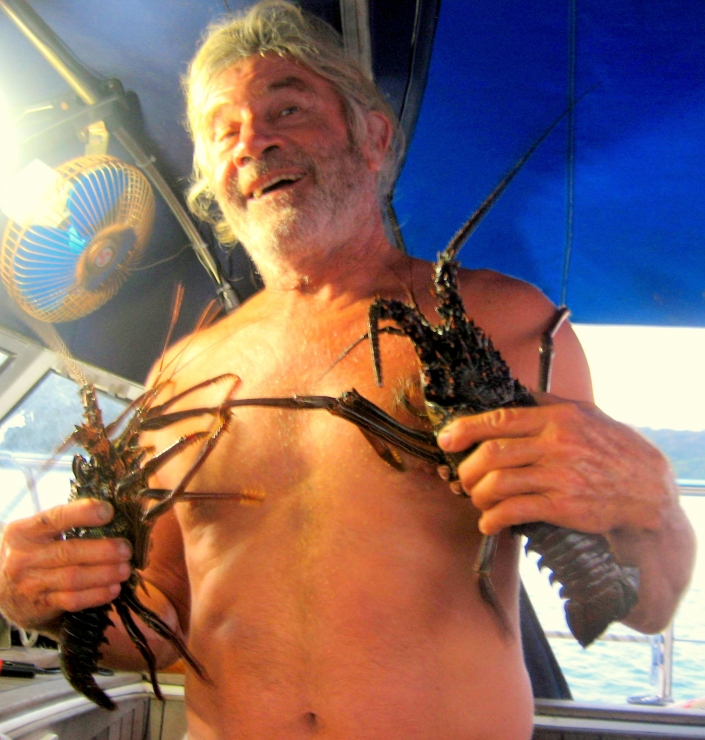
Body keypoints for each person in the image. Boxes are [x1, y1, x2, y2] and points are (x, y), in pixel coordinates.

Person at [0, 2, 695, 738]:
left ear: (373, 136)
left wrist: (652, 505)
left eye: (287, 107)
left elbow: (644, 604)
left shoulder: (510, 321)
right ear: (213, 183)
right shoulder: (181, 372)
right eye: (221, 132)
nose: (254, 142)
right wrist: (35, 601)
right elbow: (166, 621)